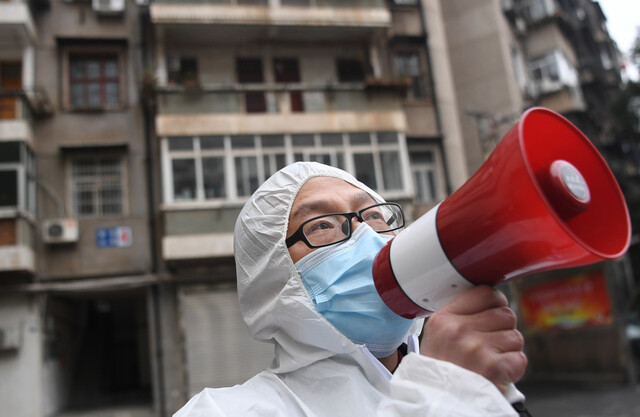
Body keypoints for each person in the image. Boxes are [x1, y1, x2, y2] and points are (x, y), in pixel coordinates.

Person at [174, 162, 528, 417]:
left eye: (374, 216)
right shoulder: (225, 411)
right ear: (273, 274)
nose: (366, 236)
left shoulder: (466, 363)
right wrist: (444, 398)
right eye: (323, 224)